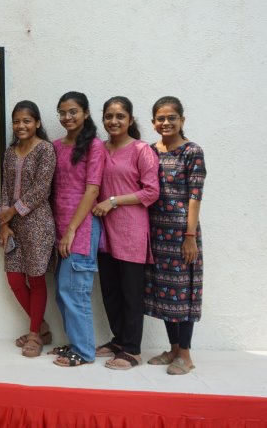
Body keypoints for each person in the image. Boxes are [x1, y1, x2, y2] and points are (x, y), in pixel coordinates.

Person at [92, 96, 159, 370]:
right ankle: (118, 340)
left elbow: (152, 191)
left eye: (120, 116)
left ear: (130, 120)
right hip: (104, 231)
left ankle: (132, 350)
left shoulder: (141, 150)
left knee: (131, 293)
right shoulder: (100, 149)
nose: (113, 121)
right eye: (109, 116)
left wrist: (114, 201)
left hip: (131, 229)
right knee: (110, 290)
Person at [144, 96, 206, 375]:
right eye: (160, 118)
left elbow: (195, 196)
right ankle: (172, 349)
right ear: (153, 122)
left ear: (182, 120)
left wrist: (190, 234)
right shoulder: (149, 151)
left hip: (182, 233)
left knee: (182, 292)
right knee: (165, 292)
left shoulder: (192, 151)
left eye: (171, 117)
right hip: (157, 233)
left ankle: (186, 354)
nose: (166, 122)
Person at [49, 91, 105, 367]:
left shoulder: (95, 146)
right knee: (63, 289)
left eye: (73, 112)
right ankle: (74, 343)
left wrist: (71, 229)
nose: (67, 117)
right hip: (61, 226)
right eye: (62, 112)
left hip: (80, 227)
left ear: (85, 113)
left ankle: (84, 351)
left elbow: (92, 190)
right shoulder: (57, 146)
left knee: (75, 290)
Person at [0, 101, 56, 358]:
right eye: (17, 121)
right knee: (15, 279)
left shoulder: (45, 150)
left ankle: (34, 335)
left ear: (37, 123)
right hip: (13, 226)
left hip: (38, 223)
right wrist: (4, 222)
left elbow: (42, 189)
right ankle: (41, 327)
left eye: (27, 121)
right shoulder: (11, 152)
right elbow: (5, 189)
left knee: (37, 277)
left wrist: (14, 211)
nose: (21, 126)